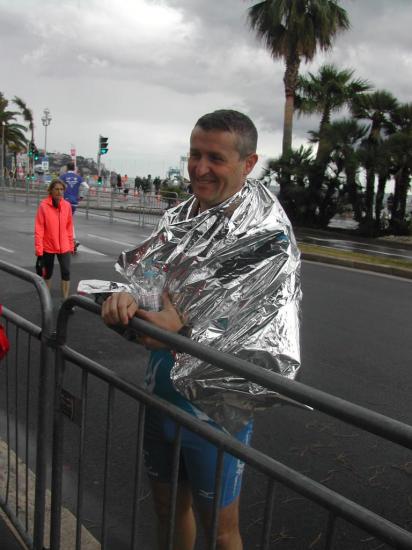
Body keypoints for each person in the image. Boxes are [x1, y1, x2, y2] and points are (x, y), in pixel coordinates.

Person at [101, 110, 301, 550]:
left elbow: (265, 342)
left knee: (222, 530)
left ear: (249, 164)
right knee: (167, 510)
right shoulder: (179, 218)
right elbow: (151, 285)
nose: (200, 168)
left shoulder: (267, 236)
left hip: (216, 412)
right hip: (161, 394)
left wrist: (183, 328)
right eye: (195, 154)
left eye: (216, 158)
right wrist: (128, 299)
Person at [34, 179, 74, 299]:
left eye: (61, 189)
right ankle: (46, 300)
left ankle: (65, 300)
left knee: (66, 273)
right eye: (56, 189)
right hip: (48, 247)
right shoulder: (44, 206)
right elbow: (39, 229)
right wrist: (39, 250)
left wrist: (71, 245)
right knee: (48, 275)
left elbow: (69, 227)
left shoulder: (67, 206)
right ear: (50, 191)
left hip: (64, 246)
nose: (59, 192)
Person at [60, 162, 89, 251]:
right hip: (74, 203)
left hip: (65, 202)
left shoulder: (63, 177)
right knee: (68, 221)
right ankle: (71, 240)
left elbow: (54, 185)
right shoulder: (79, 177)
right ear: (74, 168)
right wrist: (81, 196)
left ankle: (71, 241)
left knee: (63, 221)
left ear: (66, 168)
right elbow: (87, 187)